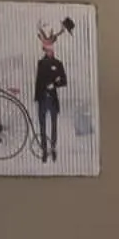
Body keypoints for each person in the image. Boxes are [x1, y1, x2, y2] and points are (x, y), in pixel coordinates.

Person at [33, 20, 70, 163]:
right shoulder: (41, 63)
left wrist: (54, 84)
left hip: (53, 99)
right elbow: (38, 81)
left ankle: (53, 149)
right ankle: (44, 151)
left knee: (54, 125)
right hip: (42, 99)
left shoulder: (58, 64)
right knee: (42, 126)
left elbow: (63, 81)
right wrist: (38, 95)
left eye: (50, 47)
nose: (48, 50)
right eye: (46, 47)